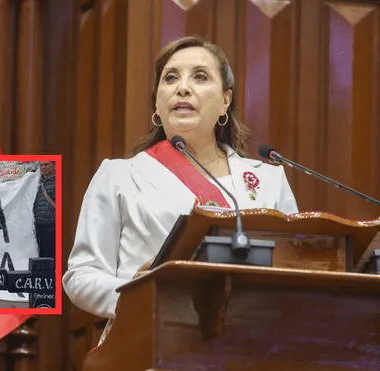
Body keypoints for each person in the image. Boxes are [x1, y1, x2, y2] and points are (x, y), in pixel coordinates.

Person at [62, 36, 299, 344]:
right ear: (157, 105)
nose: (183, 87)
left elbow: (295, 269)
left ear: (226, 100)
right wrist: (138, 295)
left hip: (248, 346)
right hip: (147, 344)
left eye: (200, 77)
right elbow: (81, 277)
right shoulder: (118, 176)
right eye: (171, 77)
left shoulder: (269, 180)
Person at [33, 161, 56, 258]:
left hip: (51, 225)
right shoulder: (36, 182)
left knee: (49, 254)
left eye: (46, 164)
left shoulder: (58, 181)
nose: (43, 167)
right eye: (41, 165)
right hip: (38, 225)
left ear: (54, 165)